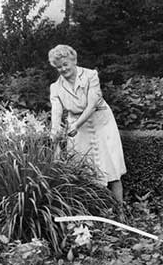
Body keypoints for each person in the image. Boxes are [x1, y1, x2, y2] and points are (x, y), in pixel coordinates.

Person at [48, 44, 127, 204]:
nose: (63, 69)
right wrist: (54, 130)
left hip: (101, 122)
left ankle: (120, 213)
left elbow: (92, 104)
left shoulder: (91, 75)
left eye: (65, 64)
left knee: (110, 167)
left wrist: (76, 125)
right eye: (59, 67)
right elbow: (56, 111)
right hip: (77, 128)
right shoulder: (55, 87)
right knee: (83, 170)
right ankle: (95, 212)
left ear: (74, 61)